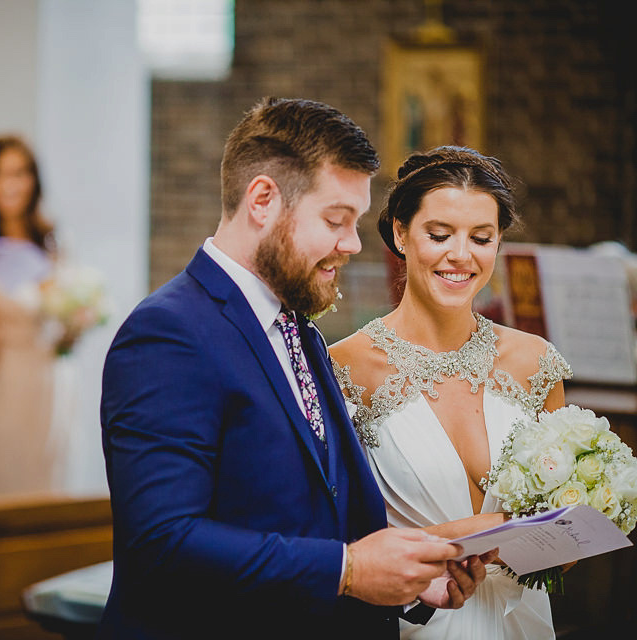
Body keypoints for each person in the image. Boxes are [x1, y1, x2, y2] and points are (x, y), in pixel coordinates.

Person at [99, 98, 492, 638]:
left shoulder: (297, 329)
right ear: (263, 200)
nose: (352, 244)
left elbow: (316, 516)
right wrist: (348, 571)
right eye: (337, 220)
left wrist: (407, 584)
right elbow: (162, 544)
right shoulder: (169, 333)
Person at [330, 145, 571, 638]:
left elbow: (564, 547)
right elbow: (335, 544)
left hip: (522, 621)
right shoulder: (344, 368)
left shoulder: (535, 362)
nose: (460, 256)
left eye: (481, 238)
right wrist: (491, 531)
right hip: (412, 623)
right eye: (439, 235)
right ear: (400, 232)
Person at [0, 135, 61, 497]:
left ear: (34, 180)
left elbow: (63, 333)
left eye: (19, 173)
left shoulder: (52, 245)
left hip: (49, 382)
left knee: (48, 483)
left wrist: (77, 319)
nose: (10, 185)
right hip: (1, 382)